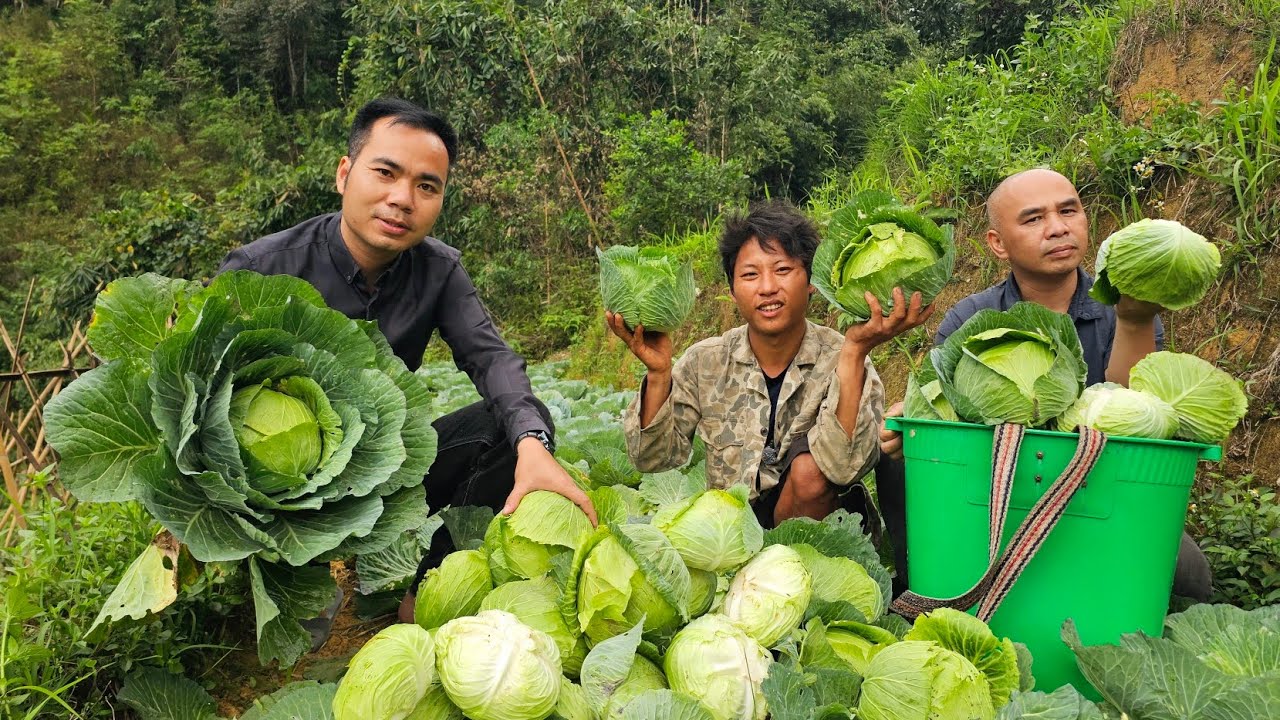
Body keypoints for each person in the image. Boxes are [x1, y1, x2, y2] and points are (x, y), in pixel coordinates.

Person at [219, 98, 595, 624]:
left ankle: (427, 591)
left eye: (426, 186)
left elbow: (492, 359)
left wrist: (534, 444)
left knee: (511, 429)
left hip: (379, 474)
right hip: (274, 494)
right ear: (344, 173)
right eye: (386, 173)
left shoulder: (438, 271)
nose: (402, 199)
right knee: (297, 632)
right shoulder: (261, 269)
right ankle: (285, 574)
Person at [877, 167, 1212, 599]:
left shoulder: (1124, 311)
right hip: (996, 490)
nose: (1058, 228)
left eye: (1069, 211)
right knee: (894, 459)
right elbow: (948, 411)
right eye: (1034, 219)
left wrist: (1134, 318)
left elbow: (1141, 417)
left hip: (1099, 489)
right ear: (997, 244)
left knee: (1189, 573)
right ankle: (923, 590)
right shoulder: (970, 318)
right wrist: (915, 422)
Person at [609, 200, 932, 530]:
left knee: (809, 472)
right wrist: (659, 373)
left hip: (822, 541)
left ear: (811, 282)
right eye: (750, 275)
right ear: (732, 290)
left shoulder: (842, 356)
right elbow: (653, 458)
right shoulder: (704, 361)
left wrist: (854, 353)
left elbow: (843, 467)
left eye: (782, 270)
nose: (766, 288)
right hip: (733, 537)